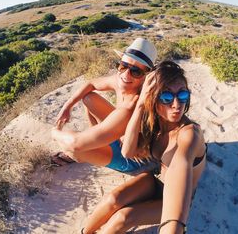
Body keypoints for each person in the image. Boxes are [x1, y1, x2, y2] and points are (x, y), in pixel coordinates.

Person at [81, 61, 207, 233]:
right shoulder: (157, 124)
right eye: (167, 97)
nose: (177, 104)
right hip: (155, 182)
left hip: (174, 198)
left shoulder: (189, 134)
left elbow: (180, 165)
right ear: (153, 99)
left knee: (123, 217)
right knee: (112, 200)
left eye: (182, 95)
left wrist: (174, 227)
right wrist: (140, 104)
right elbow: (128, 151)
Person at [51, 38, 157, 174]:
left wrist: (55, 132)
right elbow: (91, 84)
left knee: (74, 150)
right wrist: (68, 106)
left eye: (136, 71)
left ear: (145, 76)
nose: (126, 74)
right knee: (89, 98)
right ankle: (96, 143)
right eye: (123, 66)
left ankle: (90, 151)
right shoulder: (121, 80)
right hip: (118, 136)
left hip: (133, 161)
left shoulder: (133, 104)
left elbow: (74, 143)